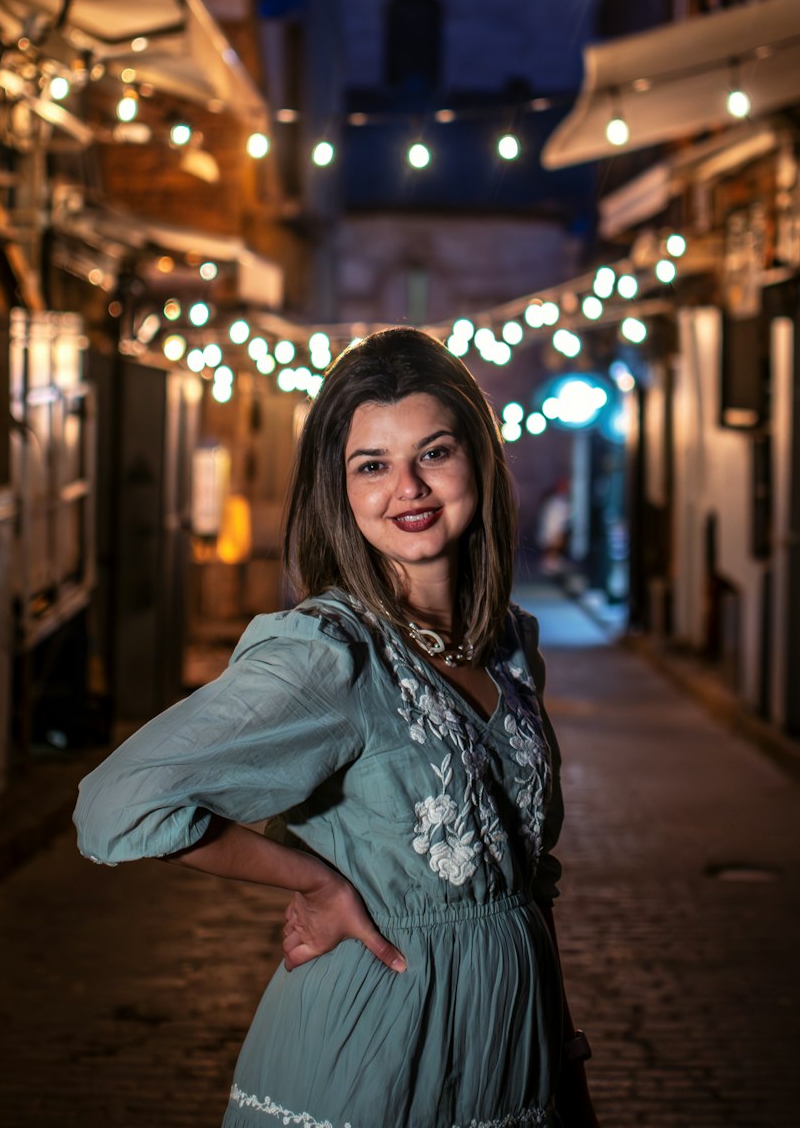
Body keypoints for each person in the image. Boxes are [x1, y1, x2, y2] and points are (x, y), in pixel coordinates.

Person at [74, 327, 601, 1128]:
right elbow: (119, 803)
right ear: (340, 489)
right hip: (370, 1061)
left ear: (480, 462)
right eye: (372, 465)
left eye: (434, 452)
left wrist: (565, 1064)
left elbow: (530, 885)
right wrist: (313, 880)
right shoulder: (330, 654)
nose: (408, 488)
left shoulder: (510, 646)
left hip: (513, 1062)